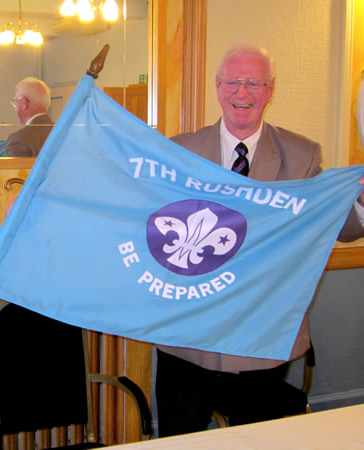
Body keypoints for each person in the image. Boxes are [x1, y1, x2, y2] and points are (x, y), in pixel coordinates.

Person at [156, 44, 364, 437]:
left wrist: (361, 206)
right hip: (188, 339)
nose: (243, 93)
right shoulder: (179, 152)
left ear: (271, 90)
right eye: (233, 82)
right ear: (217, 87)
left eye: (254, 83)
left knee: (258, 441)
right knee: (178, 441)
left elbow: (337, 228)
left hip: (263, 341)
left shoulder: (301, 156)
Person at [6, 77, 54, 157]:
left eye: (15, 101)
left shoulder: (19, 139)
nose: (14, 107)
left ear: (24, 103)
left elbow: (20, 169)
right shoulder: (64, 132)